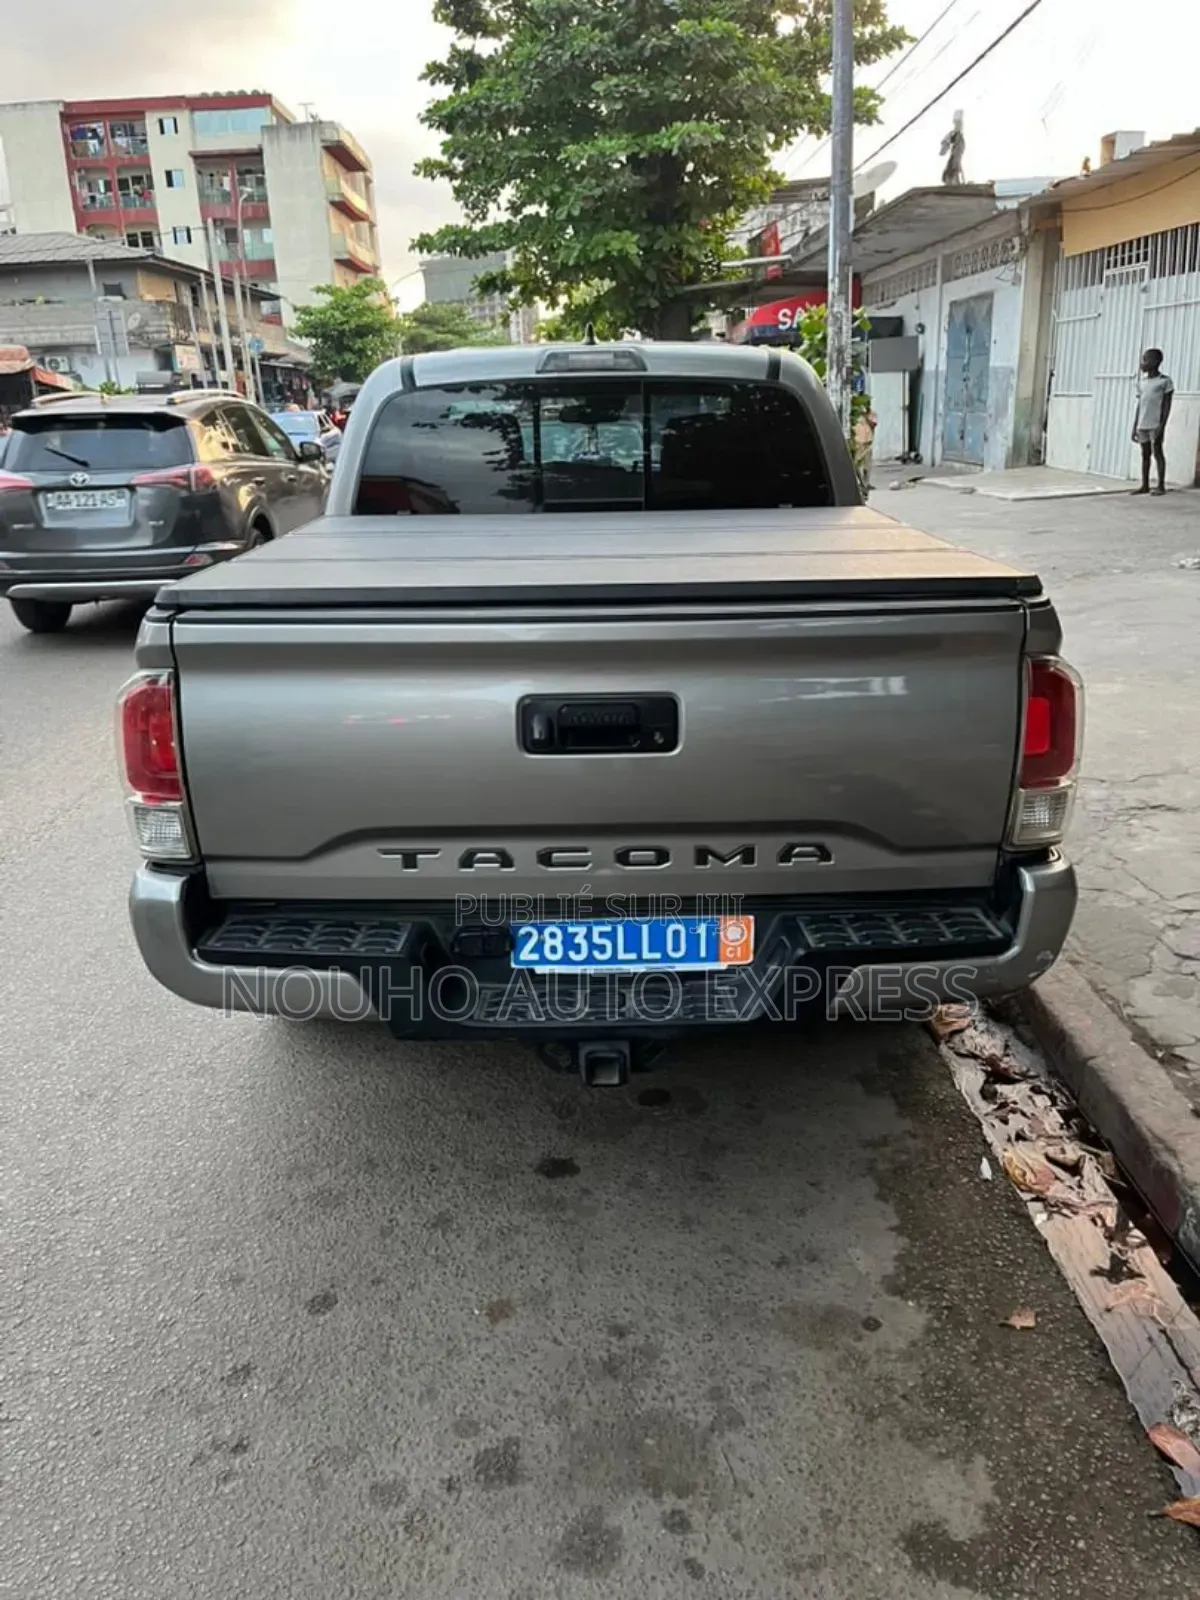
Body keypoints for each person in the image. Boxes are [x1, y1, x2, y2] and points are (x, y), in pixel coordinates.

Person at [1131, 348, 1174, 496]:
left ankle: (1161, 485)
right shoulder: (1142, 383)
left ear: (1156, 362)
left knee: (1157, 453)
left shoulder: (1164, 381)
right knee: (1145, 454)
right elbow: (1140, 405)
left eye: (1145, 360)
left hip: (1155, 424)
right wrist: (1135, 426)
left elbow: (1167, 405)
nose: (1142, 363)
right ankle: (1145, 485)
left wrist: (1162, 426)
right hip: (1142, 424)